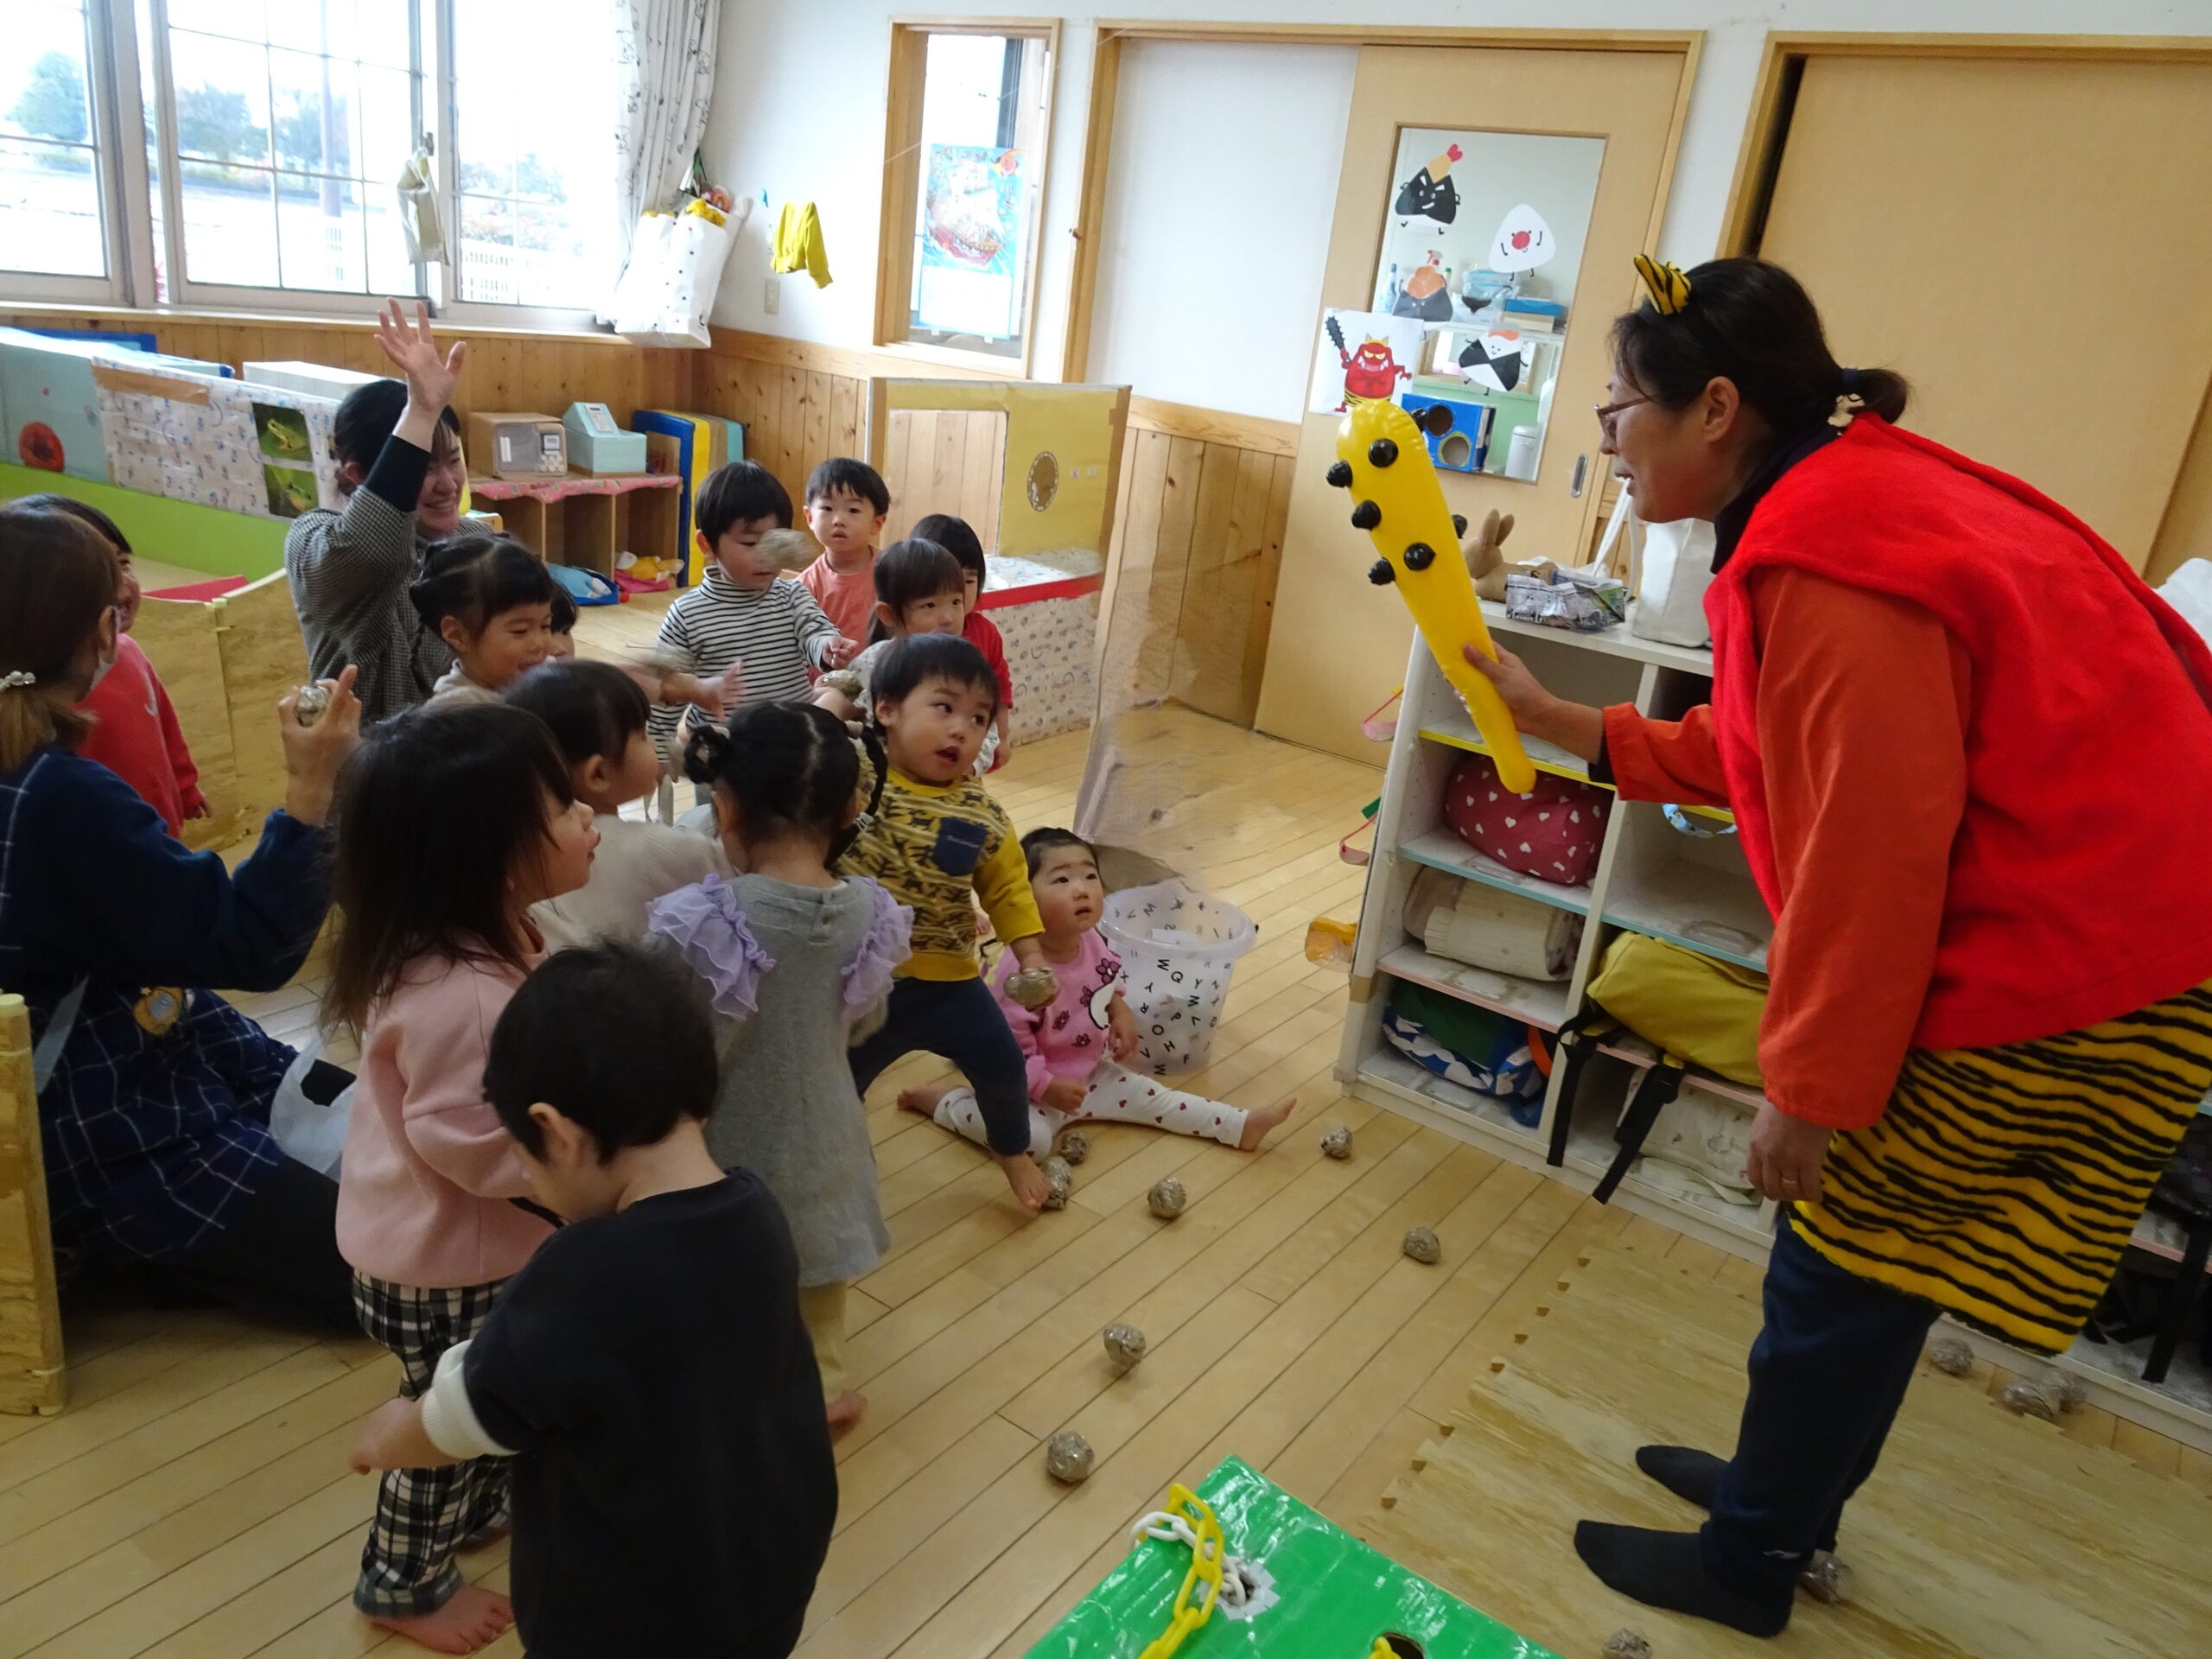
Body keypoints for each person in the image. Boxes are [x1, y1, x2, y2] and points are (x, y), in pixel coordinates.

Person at [1460, 256, 2212, 1638]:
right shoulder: (1838, 492)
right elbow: (1775, 744)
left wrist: (1808, 1091)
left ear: (1717, 409)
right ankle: (1781, 1505)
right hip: (2114, 923)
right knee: (1870, 1269)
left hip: (2078, 959)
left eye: (1621, 408)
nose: (1607, 438)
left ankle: (1751, 1561)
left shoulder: (1828, 558)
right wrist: (1561, 717)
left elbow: (1870, 858)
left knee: (1841, 1263)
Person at [346, 942, 836, 1659]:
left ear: (558, 1133)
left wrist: (390, 1436)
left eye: (524, 1158)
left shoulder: (584, 1270)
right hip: (768, 1583)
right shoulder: (757, 1213)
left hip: (626, 1621)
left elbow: (471, 1409)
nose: (528, 1179)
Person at [0, 500, 360, 1329]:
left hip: (125, 1032)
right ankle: (121, 1246)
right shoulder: (61, 796)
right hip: (90, 1106)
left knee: (360, 1118)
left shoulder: (54, 788)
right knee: (389, 1263)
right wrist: (310, 789)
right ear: (103, 632)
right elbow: (250, 946)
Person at [325, 704, 598, 1654]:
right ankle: (400, 1584)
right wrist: (578, 1171)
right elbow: (467, 1141)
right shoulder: (466, 994)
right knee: (447, 1425)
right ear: (491, 856)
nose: (586, 816)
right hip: (450, 1264)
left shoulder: (475, 940)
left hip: (445, 1247)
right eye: (560, 807)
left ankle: (478, 1508)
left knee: (486, 1401)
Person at [648, 704, 909, 1429]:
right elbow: (865, 1021)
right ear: (850, 808)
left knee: (722, 1284)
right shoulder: (874, 914)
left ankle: (721, 1397)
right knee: (817, 1286)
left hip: (725, 1145)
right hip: (830, 1137)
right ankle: (821, 1390)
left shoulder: (701, 917)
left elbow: (657, 1033)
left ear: (725, 807)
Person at [906, 828, 1295, 1158]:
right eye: (1061, 880)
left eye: (1090, 876)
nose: (1082, 890)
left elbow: (1107, 983)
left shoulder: (1091, 938)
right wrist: (1045, 1087)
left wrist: (1120, 1012)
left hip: (1089, 1075)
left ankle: (1238, 1126)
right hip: (1026, 1090)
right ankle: (948, 1103)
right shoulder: (1018, 973)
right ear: (1023, 898)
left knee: (1154, 1097)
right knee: (1032, 1144)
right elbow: (1002, 1052)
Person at [839, 634, 1056, 1211]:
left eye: (979, 719)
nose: (962, 730)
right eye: (944, 707)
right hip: (859, 986)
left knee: (1004, 1068)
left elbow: (1007, 887)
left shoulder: (980, 811)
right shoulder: (856, 772)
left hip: (950, 985)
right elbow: (799, 754)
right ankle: (837, 1162)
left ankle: (1010, 1149)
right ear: (887, 709)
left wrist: (1032, 957)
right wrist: (835, 695)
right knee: (835, 1087)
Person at [285, 301, 468, 723]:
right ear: (358, 475)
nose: (447, 484)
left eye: (453, 460)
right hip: (373, 756)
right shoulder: (314, 539)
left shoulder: (474, 541)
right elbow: (374, 552)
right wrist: (421, 413)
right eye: (425, 467)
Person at [505, 658, 731, 950]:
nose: (652, 743)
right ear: (598, 774)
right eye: (643, 735)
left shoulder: (527, 851)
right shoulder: (648, 846)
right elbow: (737, 871)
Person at [22, 494, 209, 836]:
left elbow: (165, 728)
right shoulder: (49, 688)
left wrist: (186, 788)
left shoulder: (131, 653)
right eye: (99, 573)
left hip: (159, 835)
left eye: (123, 564)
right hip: (103, 841)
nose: (122, 588)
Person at [647, 461, 855, 757]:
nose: (766, 556)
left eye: (776, 543)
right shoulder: (687, 614)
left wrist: (827, 648)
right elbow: (670, 687)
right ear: (707, 544)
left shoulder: (792, 595)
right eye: (750, 542)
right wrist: (658, 748)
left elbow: (815, 632)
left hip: (794, 742)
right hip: (725, 751)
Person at [815, 538, 1001, 775]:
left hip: (949, 784)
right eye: (930, 605)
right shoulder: (874, 662)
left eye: (956, 602)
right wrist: (831, 693)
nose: (948, 617)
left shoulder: (967, 668)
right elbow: (846, 721)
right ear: (889, 614)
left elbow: (988, 735)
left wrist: (968, 770)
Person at [912, 512, 1014, 770]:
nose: (959, 589)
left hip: (968, 753)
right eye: (946, 579)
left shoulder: (986, 633)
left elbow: (999, 689)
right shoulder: (913, 632)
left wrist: (1003, 738)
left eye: (968, 580)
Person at [412, 534, 560, 707]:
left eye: (545, 626)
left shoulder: (545, 674)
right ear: (457, 634)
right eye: (520, 631)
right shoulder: (456, 708)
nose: (539, 644)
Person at [798, 456, 892, 654]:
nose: (838, 520)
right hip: (826, 674)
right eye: (827, 508)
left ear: (877, 523)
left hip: (883, 671)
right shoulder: (804, 587)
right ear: (810, 517)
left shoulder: (893, 570)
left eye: (853, 510)